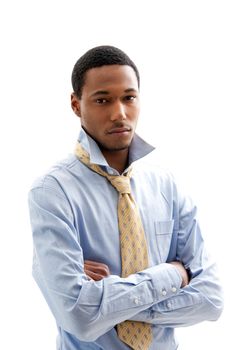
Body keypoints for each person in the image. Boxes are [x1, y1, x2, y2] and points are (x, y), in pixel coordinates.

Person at [28, 45, 223, 350]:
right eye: (103, 100)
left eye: (129, 98)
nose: (119, 113)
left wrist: (106, 304)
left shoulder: (167, 186)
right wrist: (170, 275)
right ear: (76, 105)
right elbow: (79, 317)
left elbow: (211, 299)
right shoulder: (52, 192)